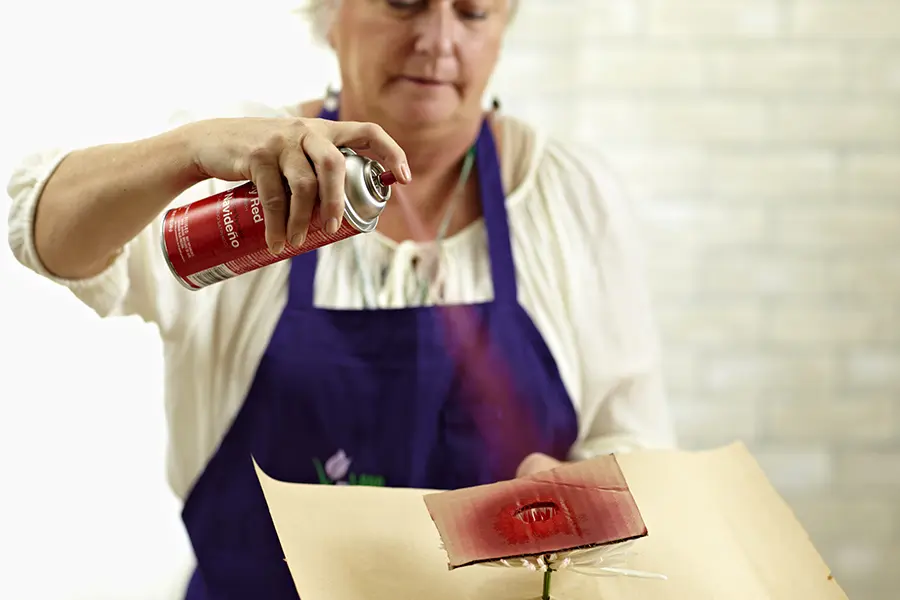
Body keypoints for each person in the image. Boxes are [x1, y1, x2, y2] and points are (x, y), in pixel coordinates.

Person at [6, 0, 676, 598]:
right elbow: (45, 237)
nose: (438, 40)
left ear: (503, 29)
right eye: (405, 3)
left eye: (473, 13)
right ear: (331, 15)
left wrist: (580, 496)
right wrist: (187, 152)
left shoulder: (568, 197)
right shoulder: (247, 180)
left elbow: (637, 446)